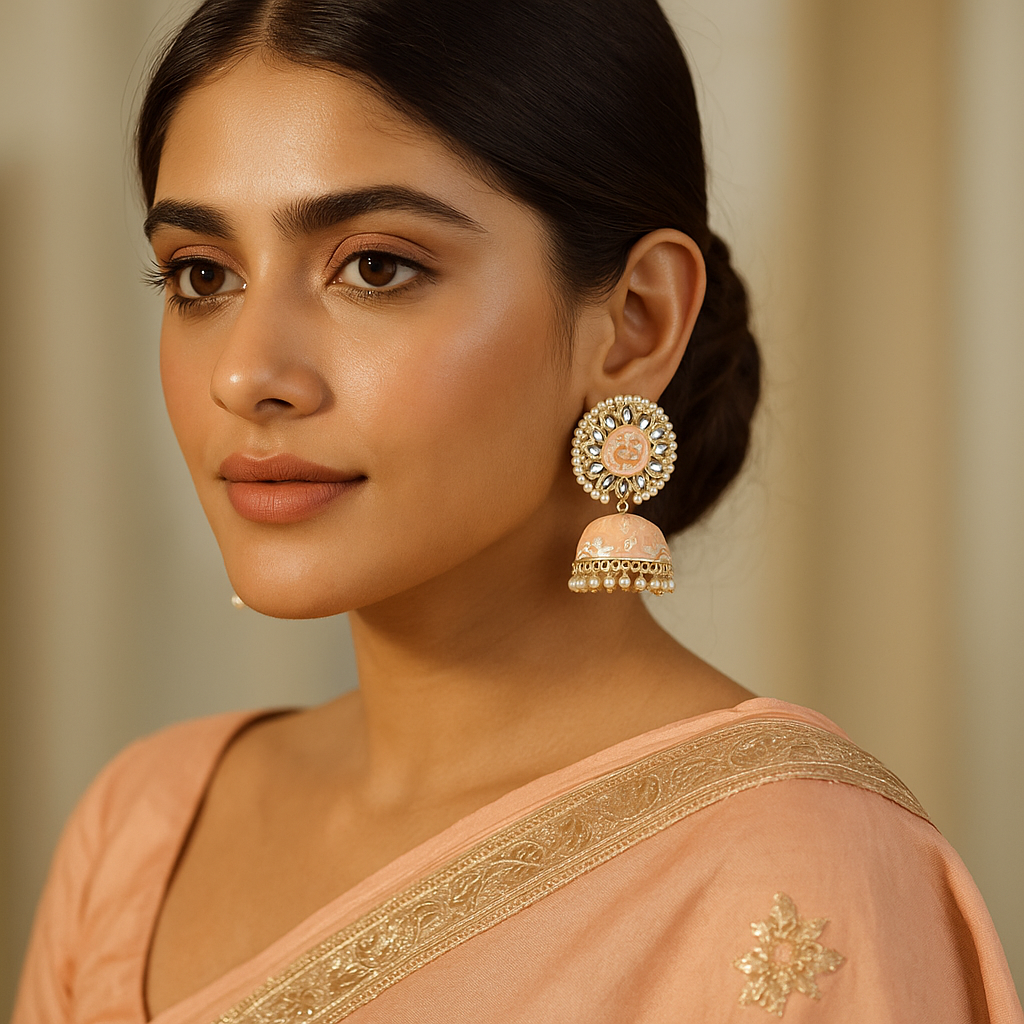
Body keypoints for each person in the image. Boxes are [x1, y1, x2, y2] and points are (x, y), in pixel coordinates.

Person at [12, 0, 1023, 1021]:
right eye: (202, 275)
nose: (245, 373)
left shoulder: (793, 869)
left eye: (375, 267)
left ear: (634, 324)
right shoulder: (142, 830)